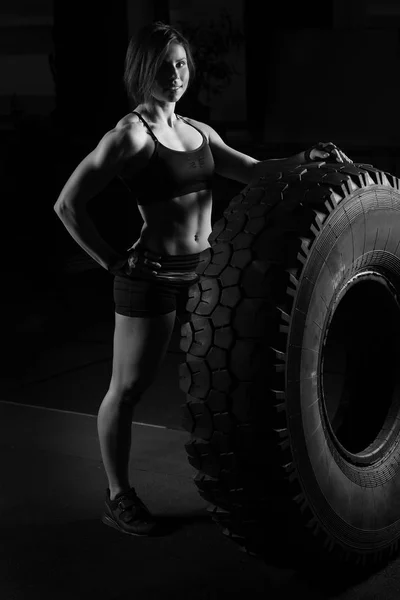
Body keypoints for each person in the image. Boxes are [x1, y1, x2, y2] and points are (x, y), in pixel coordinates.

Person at [53, 20, 352, 537]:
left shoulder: (198, 131)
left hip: (207, 277)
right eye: (166, 65)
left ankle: (241, 483)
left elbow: (255, 170)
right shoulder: (129, 135)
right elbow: (67, 204)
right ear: (143, 69)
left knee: (230, 385)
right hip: (152, 278)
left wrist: (305, 159)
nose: (176, 74)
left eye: (182, 64)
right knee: (126, 389)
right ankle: (119, 495)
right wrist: (111, 261)